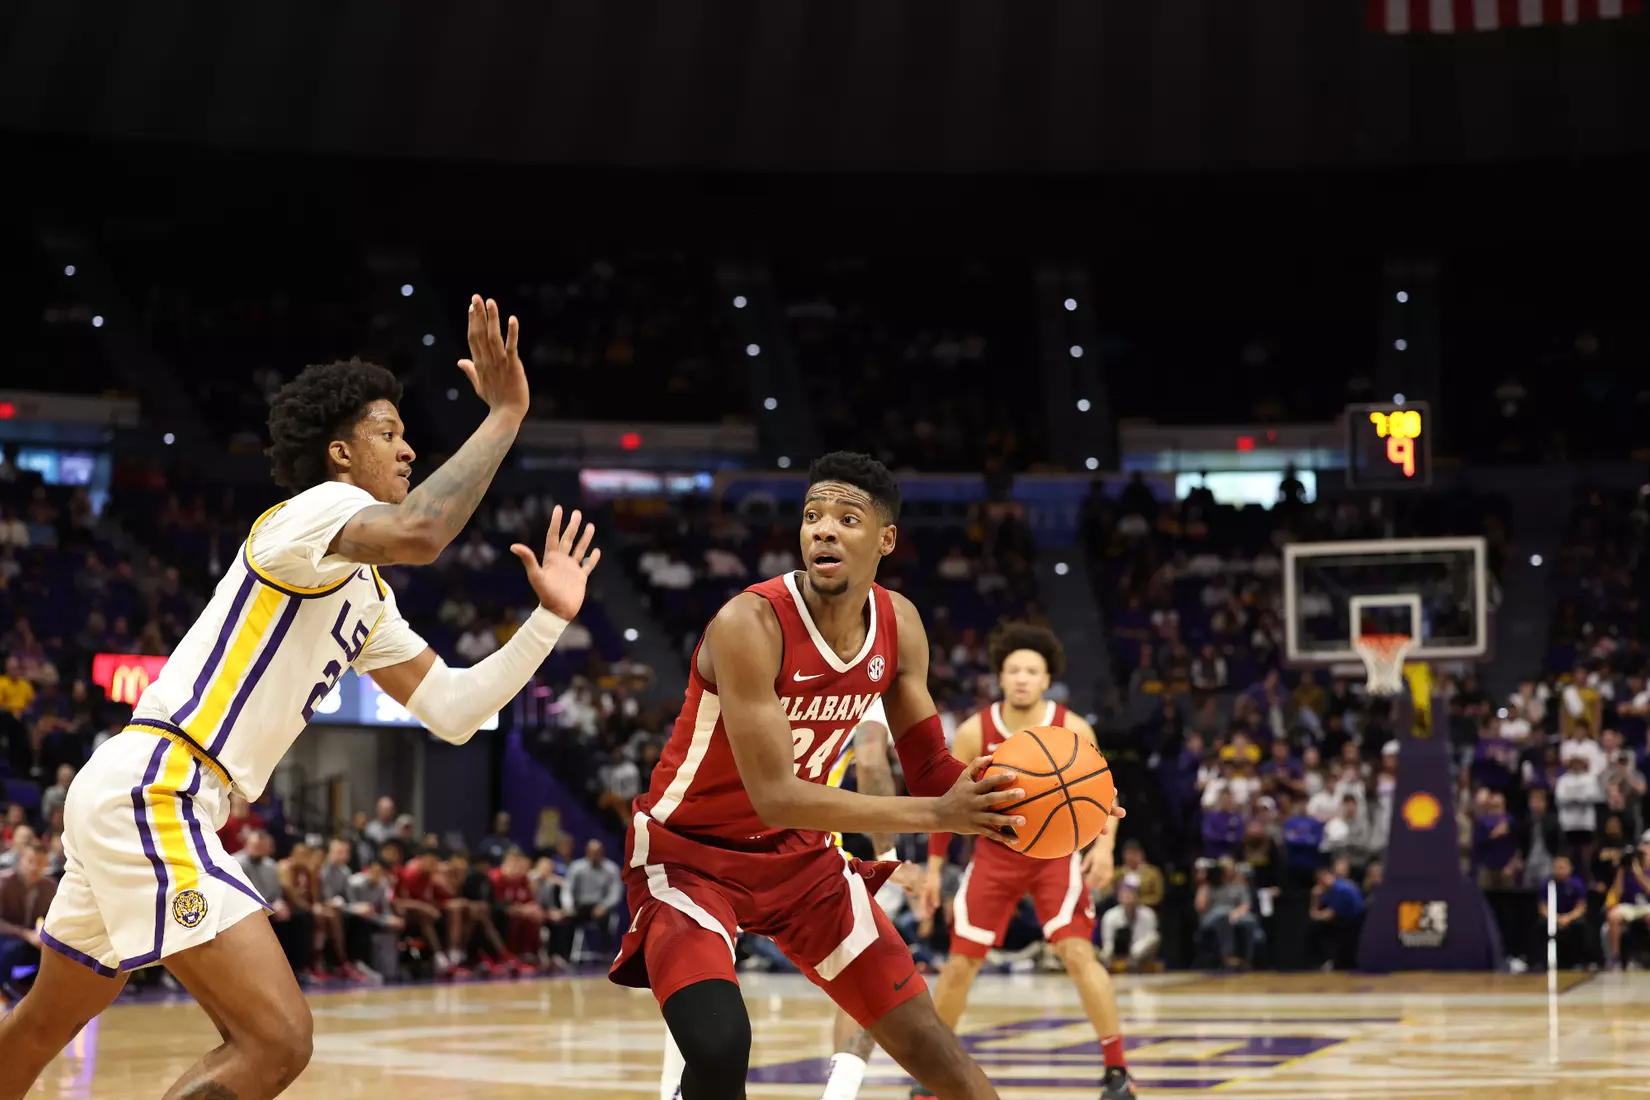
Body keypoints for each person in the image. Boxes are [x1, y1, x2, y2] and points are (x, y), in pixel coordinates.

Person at [0, 297, 601, 1100]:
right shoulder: (313, 513)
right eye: (390, 433)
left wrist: (547, 621)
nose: (410, 448)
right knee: (276, 1039)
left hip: (153, 792)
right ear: (341, 453)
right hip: (158, 790)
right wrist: (505, 415)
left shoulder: (366, 595)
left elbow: (455, 712)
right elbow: (424, 530)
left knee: (43, 1023)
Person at [611, 452, 1052, 1100]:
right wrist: (936, 815)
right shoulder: (749, 623)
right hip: (688, 859)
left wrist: (1040, 802)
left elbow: (931, 767)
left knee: (942, 1059)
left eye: (847, 518)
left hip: (801, 864)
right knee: (721, 1047)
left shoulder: (899, 624)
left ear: (885, 539)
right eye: (813, 515)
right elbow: (775, 796)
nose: (823, 529)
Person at [918, 622, 1134, 1100]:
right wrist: (934, 869)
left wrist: (1104, 846)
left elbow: (1105, 793)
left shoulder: (1073, 727)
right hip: (995, 855)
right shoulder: (976, 731)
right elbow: (945, 802)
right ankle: (933, 1073)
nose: (1021, 678)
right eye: (1013, 670)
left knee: (1077, 952)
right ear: (1000, 676)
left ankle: (1117, 1070)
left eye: (1031, 671)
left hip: (1055, 856)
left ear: (1046, 679)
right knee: (959, 965)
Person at [0, 844, 54, 1004]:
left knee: (54, 950)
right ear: (21, 860)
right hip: (5, 936)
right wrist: (25, 934)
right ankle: (3, 989)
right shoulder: (3, 882)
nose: (34, 867)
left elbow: (49, 918)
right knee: (12, 947)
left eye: (40, 863)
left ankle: (29, 988)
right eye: (30, 861)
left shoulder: (49, 886)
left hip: (29, 937)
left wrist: (45, 934)